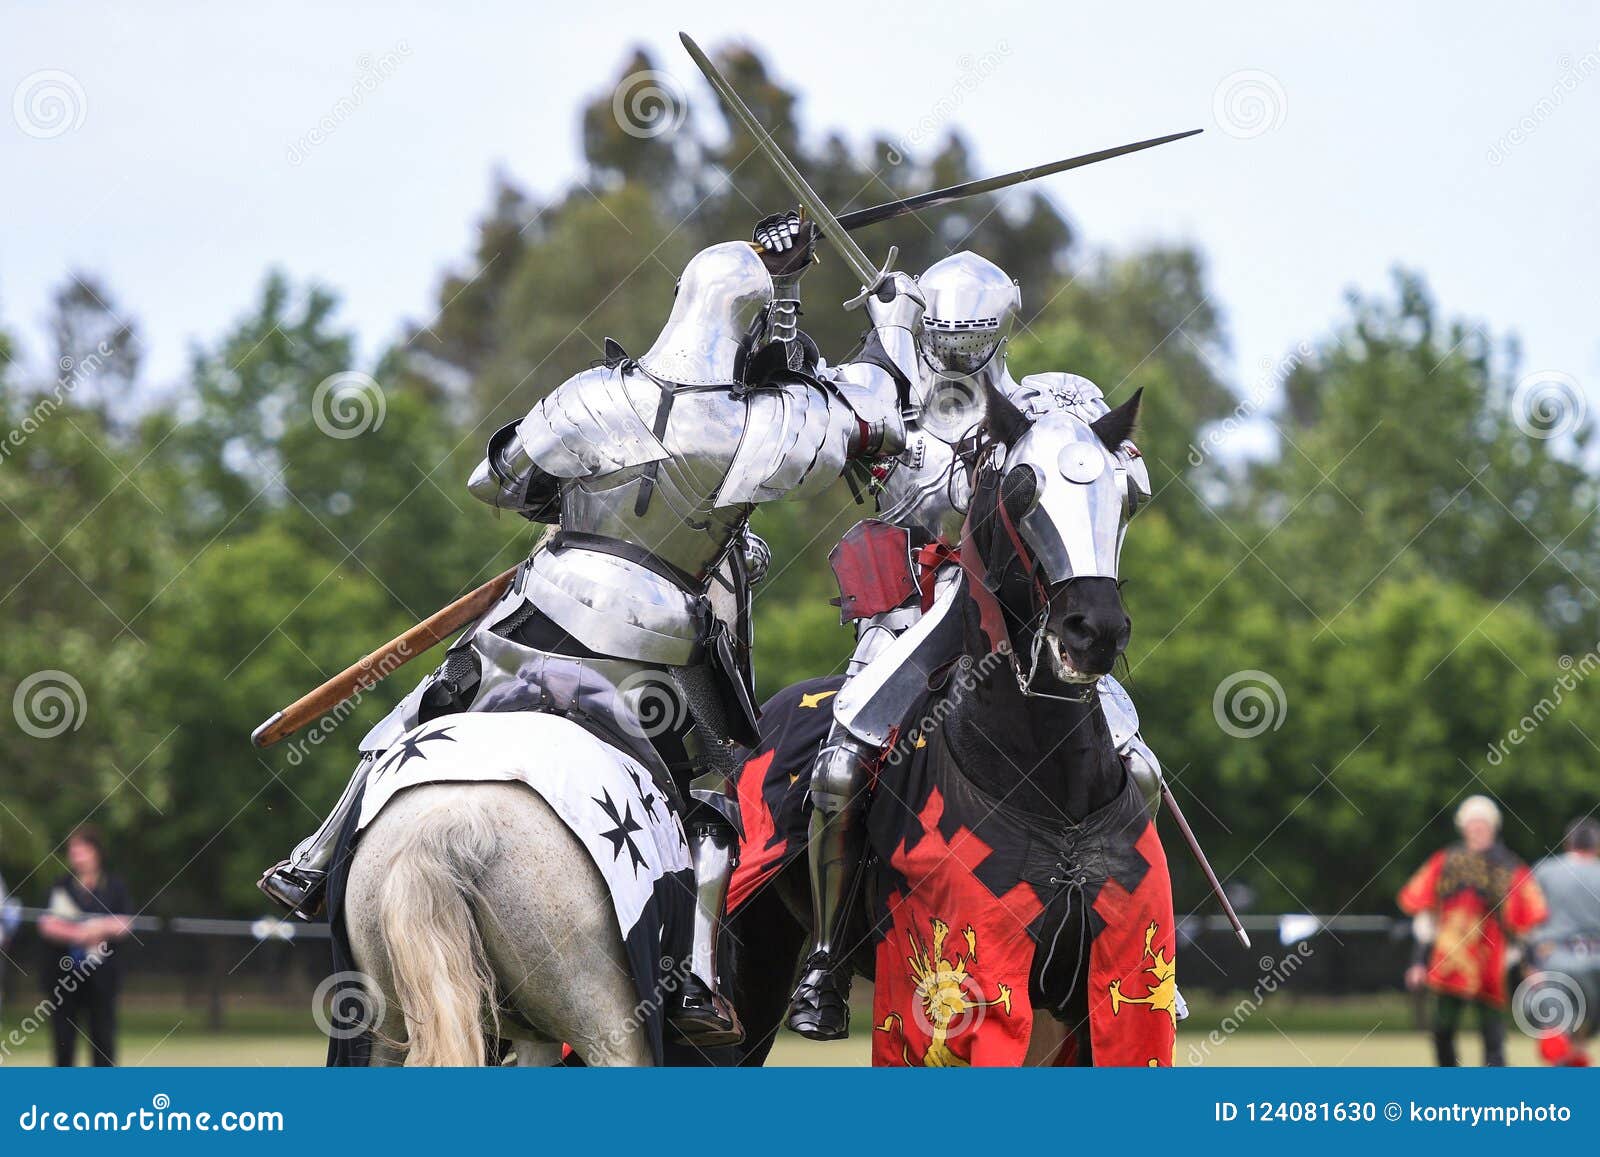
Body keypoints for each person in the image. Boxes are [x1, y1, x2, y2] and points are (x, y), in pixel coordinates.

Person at [260, 214, 925, 1045]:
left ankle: (316, 854)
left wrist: (576, 499)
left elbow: (494, 481)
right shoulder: (760, 426)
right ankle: (692, 974)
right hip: (652, 649)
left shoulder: (592, 395)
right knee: (719, 786)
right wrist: (892, 321)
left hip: (539, 609)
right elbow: (878, 416)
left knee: (434, 703)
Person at [784, 250, 1158, 1040]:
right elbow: (804, 416)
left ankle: (1127, 958)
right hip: (912, 616)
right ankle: (821, 956)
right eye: (945, 343)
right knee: (842, 762)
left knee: (1143, 769)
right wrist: (854, 333)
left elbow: (1129, 480)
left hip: (1021, 622)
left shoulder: (1049, 402)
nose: (957, 360)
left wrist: (1074, 447)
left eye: (972, 343)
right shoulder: (888, 392)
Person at [1398, 795, 1547, 1066]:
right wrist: (1418, 961)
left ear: (1493, 827)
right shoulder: (1445, 862)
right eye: (1472, 824)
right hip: (1448, 959)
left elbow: (1524, 922)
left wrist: (1532, 964)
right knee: (1442, 1028)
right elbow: (1426, 917)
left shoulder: (1510, 867)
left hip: (1490, 959)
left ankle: (1492, 1095)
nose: (1477, 829)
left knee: (1492, 1033)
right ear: (1463, 827)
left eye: (1482, 824)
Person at [38, 826, 133, 1067]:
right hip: (63, 975)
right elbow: (47, 924)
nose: (76, 855)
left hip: (102, 976)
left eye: (82, 849)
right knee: (63, 1039)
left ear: (96, 852)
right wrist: (80, 933)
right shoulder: (60, 885)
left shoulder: (114, 886)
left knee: (102, 1036)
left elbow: (124, 923)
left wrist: (98, 928)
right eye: (73, 850)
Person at [1525, 815, 1600, 1065]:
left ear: (1568, 842)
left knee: (1558, 1022)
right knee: (1583, 1030)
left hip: (1555, 959)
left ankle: (1559, 1044)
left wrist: (1530, 963)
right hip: (1595, 961)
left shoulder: (1544, 871)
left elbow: (1526, 920)